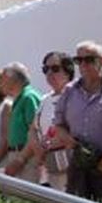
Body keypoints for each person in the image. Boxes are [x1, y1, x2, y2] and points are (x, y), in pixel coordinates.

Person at [49, 41, 102, 203]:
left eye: (89, 59)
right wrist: (67, 138)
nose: (83, 64)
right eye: (78, 60)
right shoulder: (69, 91)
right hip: (78, 166)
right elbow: (58, 123)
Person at [29, 51, 75, 190]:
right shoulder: (44, 100)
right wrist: (38, 148)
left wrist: (48, 144)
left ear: (68, 71)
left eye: (55, 69)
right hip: (50, 166)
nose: (49, 73)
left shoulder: (76, 96)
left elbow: (77, 129)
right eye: (45, 69)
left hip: (71, 165)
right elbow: (33, 129)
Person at [0, 64, 42, 178]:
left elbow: (35, 132)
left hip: (26, 159)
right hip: (17, 156)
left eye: (2, 78)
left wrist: (20, 160)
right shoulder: (19, 98)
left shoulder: (29, 97)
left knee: (27, 194)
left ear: (12, 80)